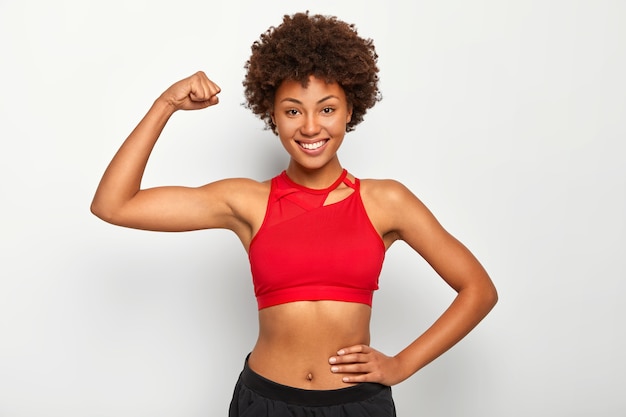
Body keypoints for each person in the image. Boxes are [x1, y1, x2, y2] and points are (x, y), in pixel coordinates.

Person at [91, 11, 498, 417]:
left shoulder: (386, 201)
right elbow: (114, 204)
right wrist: (166, 104)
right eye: (292, 111)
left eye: (326, 109)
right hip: (265, 402)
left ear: (349, 110)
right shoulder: (247, 202)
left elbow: (478, 289)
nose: (309, 127)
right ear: (273, 115)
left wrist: (403, 364)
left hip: (357, 405)